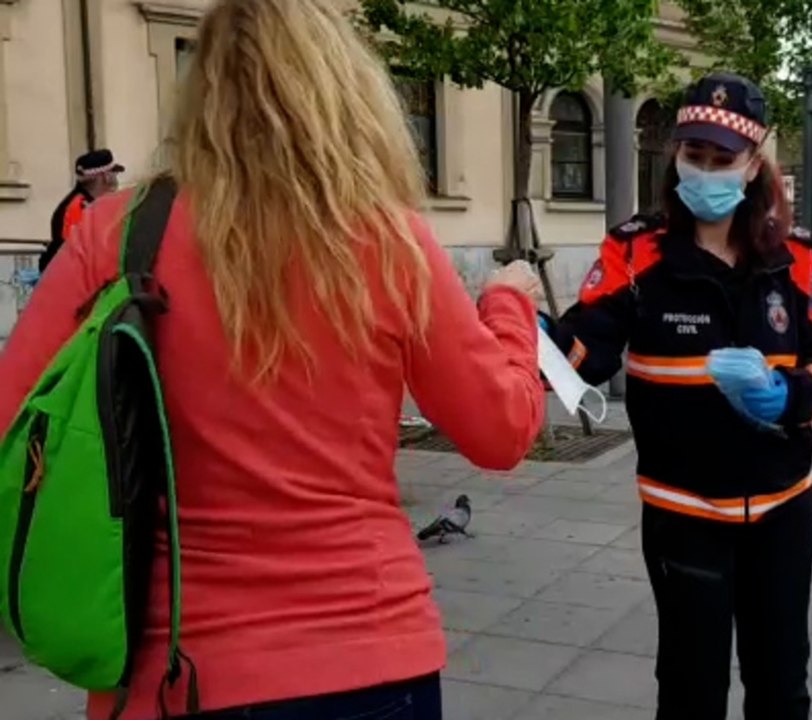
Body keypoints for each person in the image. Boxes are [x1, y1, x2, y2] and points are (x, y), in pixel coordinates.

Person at [0, 1, 545, 718]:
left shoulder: (121, 232)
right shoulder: (386, 240)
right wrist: (509, 306)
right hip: (367, 653)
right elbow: (500, 431)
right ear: (345, 88)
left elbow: (16, 422)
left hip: (174, 668)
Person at [540, 72, 812, 720]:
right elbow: (588, 346)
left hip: (783, 509)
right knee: (689, 692)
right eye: (692, 156)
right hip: (683, 511)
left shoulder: (794, 256)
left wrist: (785, 396)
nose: (704, 172)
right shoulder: (636, 251)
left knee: (781, 684)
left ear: (753, 162)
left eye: (721, 160)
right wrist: (533, 344)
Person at [40, 149, 124, 272]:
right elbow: (75, 255)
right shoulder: (79, 207)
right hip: (71, 281)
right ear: (105, 177)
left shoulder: (89, 204)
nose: (116, 180)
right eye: (114, 173)